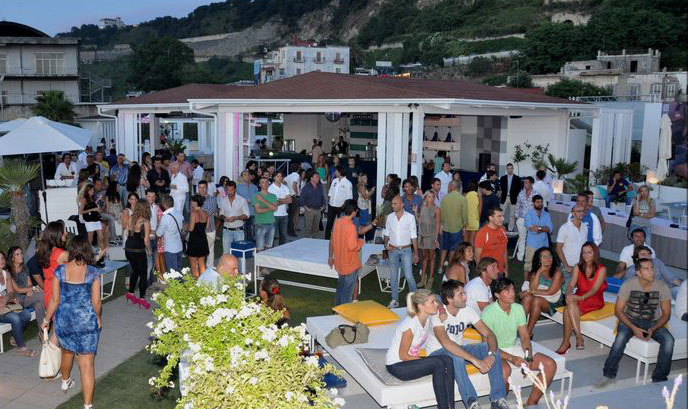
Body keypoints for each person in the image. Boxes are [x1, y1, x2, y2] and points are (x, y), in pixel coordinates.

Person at [426, 280, 510, 409]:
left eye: (464, 293)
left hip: (458, 349)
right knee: (456, 356)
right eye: (461, 294)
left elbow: (489, 334)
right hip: (438, 354)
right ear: (449, 299)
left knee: (488, 347)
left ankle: (498, 398)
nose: (465, 297)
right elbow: (446, 343)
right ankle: (471, 402)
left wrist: (491, 355)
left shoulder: (467, 310)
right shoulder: (437, 315)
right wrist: (476, 361)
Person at [42, 235, 102, 409]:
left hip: (65, 321)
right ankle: (87, 405)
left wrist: (46, 320)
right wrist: (97, 317)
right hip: (86, 323)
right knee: (87, 365)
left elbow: (55, 300)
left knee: (67, 353)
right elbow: (96, 301)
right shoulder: (92, 272)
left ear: (72, 250)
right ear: (87, 249)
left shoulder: (60, 270)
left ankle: (65, 380)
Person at [595, 257, 674, 388]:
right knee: (620, 339)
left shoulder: (661, 286)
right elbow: (618, 311)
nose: (651, 271)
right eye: (647, 269)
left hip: (652, 322)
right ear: (638, 272)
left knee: (669, 340)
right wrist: (633, 328)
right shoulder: (629, 285)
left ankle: (660, 377)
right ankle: (608, 375)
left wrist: (653, 329)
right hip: (630, 319)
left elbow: (666, 314)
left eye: (652, 268)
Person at [481, 277, 557, 407]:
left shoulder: (518, 308)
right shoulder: (488, 312)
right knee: (504, 371)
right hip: (495, 351)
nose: (512, 293)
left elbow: (525, 337)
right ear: (497, 295)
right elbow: (487, 345)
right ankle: (499, 404)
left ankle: (531, 403)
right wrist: (512, 358)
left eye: (512, 289)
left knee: (550, 364)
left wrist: (528, 357)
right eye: (507, 291)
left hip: (513, 347)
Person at [384, 290, 456, 409]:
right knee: (437, 363)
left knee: (448, 359)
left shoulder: (427, 316)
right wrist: (424, 361)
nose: (436, 304)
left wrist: (442, 310)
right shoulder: (410, 325)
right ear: (421, 306)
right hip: (398, 365)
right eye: (432, 302)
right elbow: (403, 356)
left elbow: (439, 301)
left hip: (409, 361)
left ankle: (451, 406)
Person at [556, 242, 607, 354]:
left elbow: (594, 291)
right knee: (568, 307)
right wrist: (568, 295)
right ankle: (577, 337)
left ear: (595, 253)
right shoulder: (578, 267)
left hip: (594, 299)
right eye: (584, 252)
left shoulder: (601, 269)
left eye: (589, 252)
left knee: (568, 309)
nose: (586, 255)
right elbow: (571, 285)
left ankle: (569, 341)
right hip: (579, 297)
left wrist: (579, 298)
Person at [383, 195, 419, 309]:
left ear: (402, 204)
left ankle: (416, 300)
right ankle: (394, 300)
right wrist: (386, 245)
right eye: (392, 204)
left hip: (406, 249)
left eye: (395, 204)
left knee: (408, 275)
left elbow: (414, 236)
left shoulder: (410, 217)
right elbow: (386, 233)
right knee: (393, 276)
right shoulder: (390, 217)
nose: (392, 206)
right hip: (392, 250)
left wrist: (416, 253)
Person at [520, 247, 563, 337]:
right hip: (539, 296)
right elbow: (532, 287)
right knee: (527, 298)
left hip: (554, 302)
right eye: (544, 256)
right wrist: (539, 271)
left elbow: (550, 292)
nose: (548, 258)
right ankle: (521, 329)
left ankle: (528, 333)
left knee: (536, 300)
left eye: (550, 256)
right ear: (539, 259)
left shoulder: (557, 272)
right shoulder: (536, 270)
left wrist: (529, 291)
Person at [0, 250, 36, 357]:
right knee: (15, 318)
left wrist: (7, 298)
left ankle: (15, 338)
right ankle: (22, 348)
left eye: (2, 258)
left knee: (26, 314)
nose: (1, 261)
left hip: (6, 306)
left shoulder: (6, 274)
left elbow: (11, 292)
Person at [329, 200, 364, 305]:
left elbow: (333, 240)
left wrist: (330, 256)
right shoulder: (351, 226)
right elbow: (353, 246)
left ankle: (337, 310)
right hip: (350, 264)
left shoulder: (338, 221)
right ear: (354, 212)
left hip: (340, 263)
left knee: (340, 289)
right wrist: (360, 242)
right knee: (347, 293)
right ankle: (343, 312)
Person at [36, 221, 69, 310]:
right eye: (64, 231)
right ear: (57, 234)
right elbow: (80, 263)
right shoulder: (61, 254)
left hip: (49, 289)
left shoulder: (44, 251)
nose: (66, 233)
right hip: (59, 290)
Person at [438, 180, 467, 277]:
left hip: (446, 227)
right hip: (457, 228)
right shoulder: (462, 199)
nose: (447, 187)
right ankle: (449, 268)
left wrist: (442, 223)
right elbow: (464, 215)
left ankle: (440, 267)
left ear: (452, 187)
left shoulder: (445, 198)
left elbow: (441, 213)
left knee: (444, 248)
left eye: (449, 186)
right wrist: (464, 226)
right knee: (453, 249)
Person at [124, 199, 152, 301]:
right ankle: (142, 298)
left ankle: (131, 293)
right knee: (143, 273)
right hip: (138, 250)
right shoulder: (145, 222)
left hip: (128, 248)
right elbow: (146, 241)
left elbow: (127, 232)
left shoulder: (131, 218)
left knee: (135, 271)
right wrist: (149, 250)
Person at [523, 195, 553, 273]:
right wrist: (543, 228)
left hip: (544, 244)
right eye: (537, 202)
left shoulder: (546, 214)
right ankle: (526, 281)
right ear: (533, 203)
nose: (540, 204)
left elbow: (550, 229)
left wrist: (538, 228)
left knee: (544, 265)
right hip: (532, 244)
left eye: (541, 202)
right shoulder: (529, 214)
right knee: (528, 266)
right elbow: (533, 230)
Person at [555, 205, 589, 275]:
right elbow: (558, 248)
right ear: (573, 213)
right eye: (579, 211)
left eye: (583, 211)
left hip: (581, 265)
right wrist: (566, 266)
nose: (582, 213)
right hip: (568, 266)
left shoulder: (585, 227)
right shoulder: (564, 228)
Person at [475, 207, 508, 276]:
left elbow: (504, 250)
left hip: (500, 271)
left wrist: (506, 268)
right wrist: (483, 274)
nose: (503, 219)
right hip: (488, 274)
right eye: (499, 216)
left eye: (503, 216)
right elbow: (477, 256)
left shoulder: (502, 229)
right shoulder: (482, 233)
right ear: (491, 218)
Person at [418, 190, 440, 289]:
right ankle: (423, 278)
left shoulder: (437, 209)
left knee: (432, 258)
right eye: (429, 196)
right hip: (422, 236)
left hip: (431, 236)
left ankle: (430, 279)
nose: (431, 199)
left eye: (432, 197)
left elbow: (438, 224)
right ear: (425, 197)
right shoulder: (422, 207)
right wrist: (415, 213)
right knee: (424, 257)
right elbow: (419, 221)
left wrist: (436, 238)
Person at [156, 195, 184, 273]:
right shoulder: (179, 213)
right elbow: (182, 228)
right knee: (179, 271)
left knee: (172, 273)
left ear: (163, 204)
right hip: (179, 246)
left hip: (170, 248)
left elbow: (158, 234)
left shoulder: (165, 217)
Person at [78, 183, 107, 258]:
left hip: (96, 220)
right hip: (89, 221)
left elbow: (95, 208)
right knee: (90, 239)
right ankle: (87, 255)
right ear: (87, 191)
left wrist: (98, 209)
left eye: (93, 190)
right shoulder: (84, 199)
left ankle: (102, 254)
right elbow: (80, 212)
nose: (93, 191)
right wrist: (92, 209)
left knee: (101, 238)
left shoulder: (92, 198)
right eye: (91, 190)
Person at [325, 165, 353, 240]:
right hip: (331, 205)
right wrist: (329, 201)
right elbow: (330, 192)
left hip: (341, 207)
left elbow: (349, 197)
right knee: (329, 223)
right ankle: (326, 239)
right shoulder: (334, 180)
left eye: (336, 171)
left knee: (340, 225)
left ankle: (339, 240)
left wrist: (344, 206)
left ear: (340, 172)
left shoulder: (348, 183)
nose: (335, 172)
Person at [186, 195, 210, 279]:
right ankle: (203, 282)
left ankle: (195, 283)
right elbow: (207, 228)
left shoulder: (193, 213)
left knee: (193, 266)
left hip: (194, 241)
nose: (191, 202)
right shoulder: (206, 213)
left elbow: (191, 228)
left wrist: (186, 226)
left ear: (196, 202)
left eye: (192, 201)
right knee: (202, 264)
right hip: (203, 240)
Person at [252, 177, 279, 252]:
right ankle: (258, 260)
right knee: (260, 248)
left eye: (267, 182)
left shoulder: (273, 196)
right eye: (263, 182)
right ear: (260, 184)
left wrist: (262, 200)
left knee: (269, 248)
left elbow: (275, 208)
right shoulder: (256, 195)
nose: (265, 184)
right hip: (260, 224)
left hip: (271, 223)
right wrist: (271, 208)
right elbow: (258, 210)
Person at [299, 169, 326, 238]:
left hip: (318, 210)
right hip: (309, 210)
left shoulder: (320, 186)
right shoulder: (306, 187)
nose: (318, 178)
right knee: (308, 229)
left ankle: (314, 240)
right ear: (311, 178)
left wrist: (323, 206)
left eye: (318, 177)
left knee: (316, 229)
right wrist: (306, 208)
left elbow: (322, 197)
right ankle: (307, 241)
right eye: (316, 177)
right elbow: (301, 199)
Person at [269, 171, 292, 246]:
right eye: (278, 176)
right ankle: (271, 250)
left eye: (281, 176)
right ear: (274, 178)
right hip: (274, 215)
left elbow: (290, 200)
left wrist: (279, 200)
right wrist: (284, 200)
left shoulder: (285, 187)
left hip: (284, 214)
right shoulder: (270, 188)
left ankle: (282, 250)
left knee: (283, 236)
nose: (280, 178)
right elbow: (274, 203)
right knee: (272, 236)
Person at [236, 169, 259, 242]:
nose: (247, 176)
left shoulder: (254, 187)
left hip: (252, 212)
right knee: (243, 231)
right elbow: (236, 199)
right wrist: (244, 201)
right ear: (242, 177)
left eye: (248, 175)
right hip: (242, 213)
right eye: (245, 175)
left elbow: (257, 199)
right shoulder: (238, 187)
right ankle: (243, 245)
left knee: (251, 232)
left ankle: (250, 246)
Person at [499, 163, 521, 232]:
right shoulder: (502, 178)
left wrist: (515, 195)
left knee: (512, 215)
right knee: (501, 214)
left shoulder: (517, 178)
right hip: (504, 197)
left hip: (513, 198)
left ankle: (510, 229)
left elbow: (519, 189)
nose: (509, 170)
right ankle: (500, 228)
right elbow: (500, 188)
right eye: (508, 168)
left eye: (511, 168)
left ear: (513, 169)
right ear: (506, 169)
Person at [284, 164, 302, 237]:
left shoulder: (288, 176)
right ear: (298, 169)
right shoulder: (296, 175)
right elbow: (294, 184)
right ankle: (291, 231)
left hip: (289, 196)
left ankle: (289, 230)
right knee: (292, 215)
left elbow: (283, 181)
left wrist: (287, 189)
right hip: (294, 196)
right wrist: (296, 193)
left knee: (290, 214)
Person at [463, 181, 480, 246]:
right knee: (472, 240)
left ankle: (464, 252)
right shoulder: (478, 196)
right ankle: (471, 252)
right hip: (475, 220)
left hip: (466, 220)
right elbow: (479, 211)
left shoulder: (465, 196)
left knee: (465, 240)